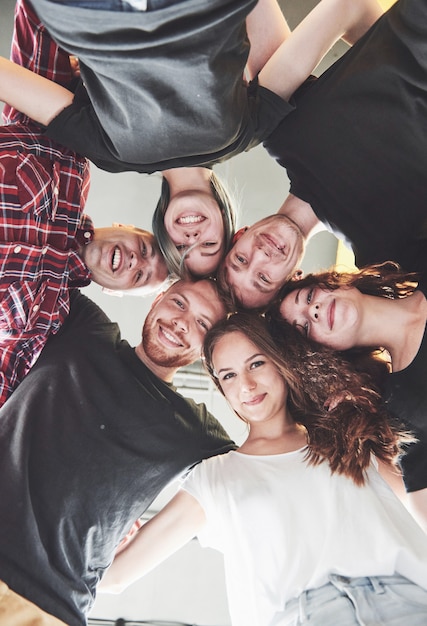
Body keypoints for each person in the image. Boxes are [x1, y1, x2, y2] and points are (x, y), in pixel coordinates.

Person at [1, 0, 383, 278]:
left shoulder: (109, 157)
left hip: (91, 12)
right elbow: (343, 8)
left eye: (181, 246)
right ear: (228, 222)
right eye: (209, 245)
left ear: (162, 232)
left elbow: (13, 84)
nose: (193, 236)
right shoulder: (253, 131)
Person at [99, 312, 427, 626]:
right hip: (304, 615)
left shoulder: (347, 434)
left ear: (280, 362)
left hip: (408, 598)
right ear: (221, 387)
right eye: (229, 375)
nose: (247, 384)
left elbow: (416, 498)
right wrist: (112, 534)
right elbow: (114, 576)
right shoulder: (215, 478)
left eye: (256, 363)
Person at [0, 277, 235, 626]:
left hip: (46, 605)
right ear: (157, 298)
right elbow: (41, 264)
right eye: (179, 303)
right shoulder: (85, 327)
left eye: (202, 323)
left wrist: (134, 549)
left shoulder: (194, 433)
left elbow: (258, 476)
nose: (181, 323)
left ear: (209, 348)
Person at [0, 0, 169, 408]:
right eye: (144, 249)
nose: (134, 262)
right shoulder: (69, 162)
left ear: (118, 294)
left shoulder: (46, 325)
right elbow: (41, 30)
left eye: (141, 277)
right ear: (125, 227)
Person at [263, 0, 427, 280]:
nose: (260, 257)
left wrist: (391, 46)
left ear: (238, 236)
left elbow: (350, 5)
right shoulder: (383, 253)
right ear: (295, 278)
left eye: (240, 259)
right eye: (264, 278)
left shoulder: (276, 128)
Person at [276, 261, 427, 531]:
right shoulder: (402, 409)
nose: (314, 311)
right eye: (305, 328)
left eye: (309, 297)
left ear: (334, 282)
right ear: (327, 352)